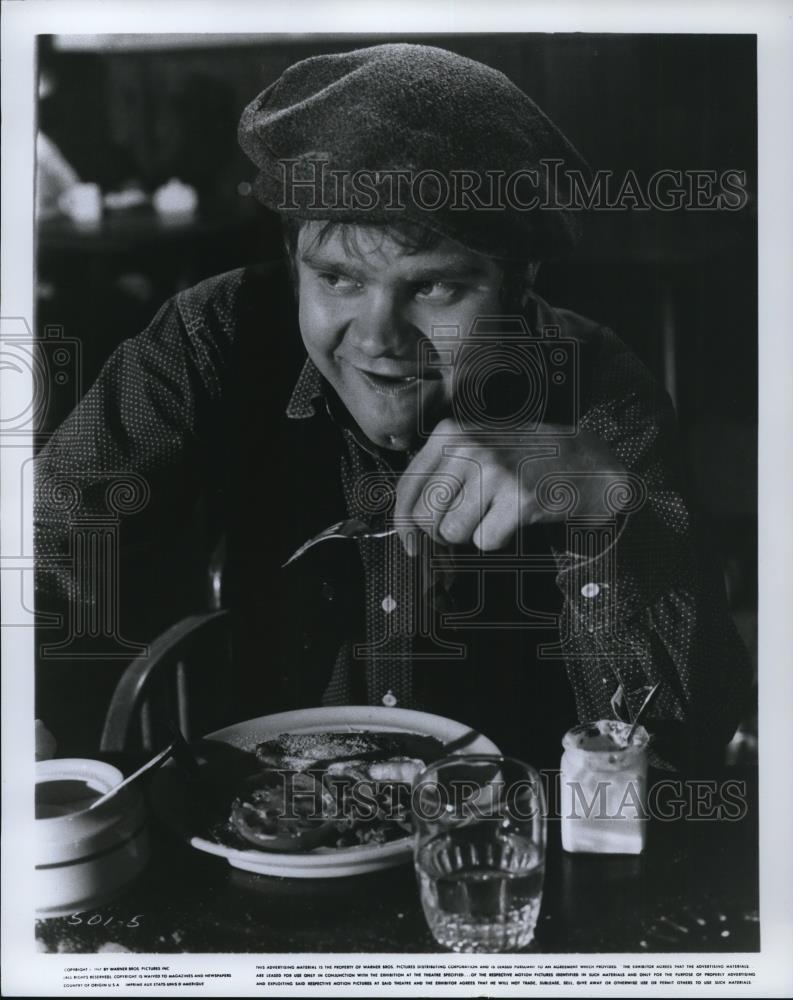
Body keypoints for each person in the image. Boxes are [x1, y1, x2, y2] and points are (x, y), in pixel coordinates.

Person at [34, 43, 750, 770]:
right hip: (260, 822)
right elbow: (49, 535)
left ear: (518, 282)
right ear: (293, 263)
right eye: (337, 279)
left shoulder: (595, 383)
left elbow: (690, 745)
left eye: (434, 287)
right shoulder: (212, 334)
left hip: (506, 829)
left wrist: (604, 519)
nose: (377, 338)